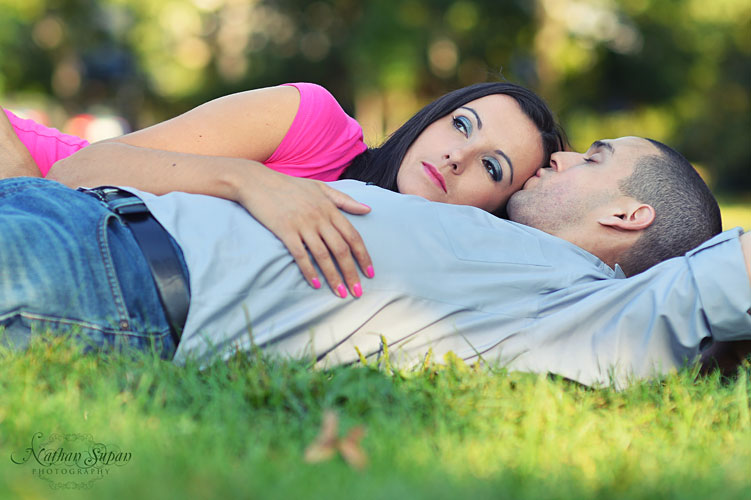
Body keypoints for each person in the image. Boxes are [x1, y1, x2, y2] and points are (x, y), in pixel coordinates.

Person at [1, 135, 749, 388]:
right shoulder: (499, 244)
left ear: (627, 214)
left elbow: (730, 274)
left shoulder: (578, 306)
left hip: (103, 275)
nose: (558, 157)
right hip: (79, 215)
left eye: (593, 158)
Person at [3, 82, 565, 299]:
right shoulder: (315, 122)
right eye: (461, 124)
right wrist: (248, 180)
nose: (456, 155)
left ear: (497, 211)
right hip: (28, 182)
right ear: (433, 117)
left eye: (492, 168)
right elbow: (77, 172)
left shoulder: (433, 272)